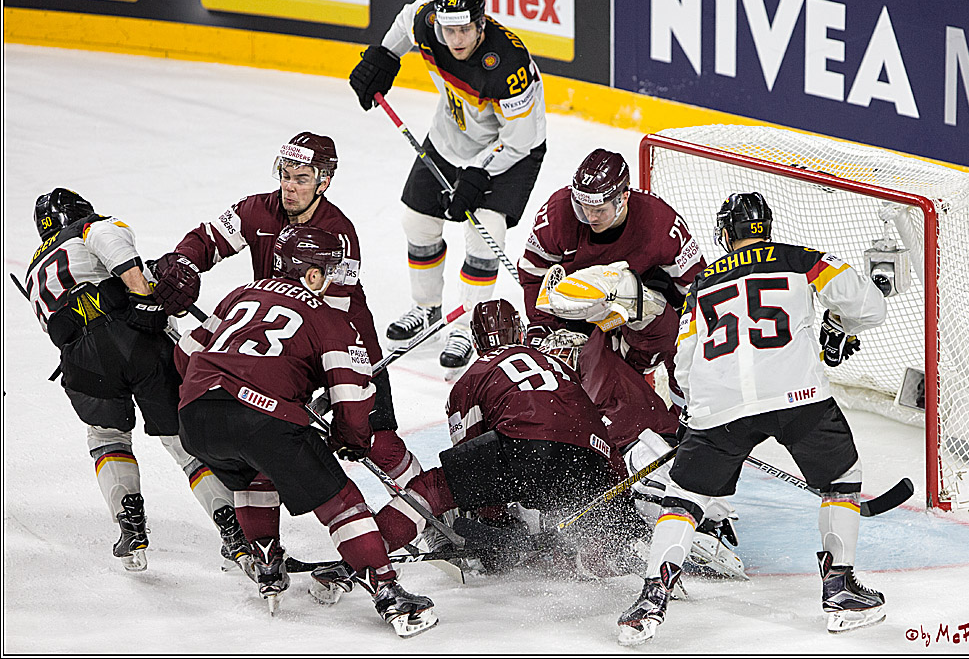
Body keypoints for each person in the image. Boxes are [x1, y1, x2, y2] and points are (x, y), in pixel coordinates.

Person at [617, 192, 888, 646]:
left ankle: (650, 600)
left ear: (726, 233)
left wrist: (694, 413)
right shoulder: (804, 260)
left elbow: (683, 363)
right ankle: (839, 590)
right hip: (796, 394)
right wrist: (838, 327)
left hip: (721, 404)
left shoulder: (702, 284)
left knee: (684, 496)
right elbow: (870, 306)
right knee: (842, 478)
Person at [150, 131, 427, 550]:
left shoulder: (339, 232)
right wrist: (184, 264)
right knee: (261, 446)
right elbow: (207, 239)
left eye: (300, 178)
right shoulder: (256, 210)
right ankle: (263, 545)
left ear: (324, 181)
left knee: (379, 442)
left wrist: (340, 405)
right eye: (285, 175)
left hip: (344, 350)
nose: (289, 186)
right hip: (279, 349)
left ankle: (431, 507)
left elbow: (333, 316)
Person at [175, 224, 437, 636]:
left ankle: (266, 562)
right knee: (341, 501)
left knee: (255, 474)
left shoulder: (244, 292)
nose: (341, 280)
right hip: (263, 418)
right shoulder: (331, 318)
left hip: (195, 417)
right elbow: (351, 402)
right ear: (312, 275)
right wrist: (349, 440)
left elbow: (184, 353)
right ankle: (389, 594)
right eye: (333, 270)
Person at [22, 187, 250, 574]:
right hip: (133, 340)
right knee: (183, 440)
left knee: (106, 438)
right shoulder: (90, 226)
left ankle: (129, 525)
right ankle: (234, 530)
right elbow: (116, 251)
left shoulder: (33, 271)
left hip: (81, 364)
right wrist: (146, 299)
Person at [351, 299, 653, 583]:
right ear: (520, 331)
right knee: (564, 498)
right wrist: (621, 508)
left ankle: (362, 557)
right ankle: (616, 547)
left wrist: (493, 526)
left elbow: (471, 465)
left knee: (435, 487)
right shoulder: (555, 363)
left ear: (477, 342)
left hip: (528, 449)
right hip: (591, 460)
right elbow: (591, 430)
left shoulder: (472, 376)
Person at [349, 0, 547, 373]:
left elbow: (519, 140)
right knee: (417, 221)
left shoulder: (509, 65)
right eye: (448, 29)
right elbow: (408, 19)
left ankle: (469, 325)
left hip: (511, 151)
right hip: (450, 136)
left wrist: (476, 178)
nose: (455, 38)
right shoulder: (429, 25)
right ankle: (426, 307)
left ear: (482, 24)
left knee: (484, 234)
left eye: (464, 30)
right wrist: (385, 57)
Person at [518, 147, 706, 450]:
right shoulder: (558, 213)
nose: (590, 217)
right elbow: (533, 273)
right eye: (583, 208)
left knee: (683, 348)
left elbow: (696, 293)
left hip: (646, 315)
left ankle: (683, 415)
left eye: (600, 210)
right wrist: (542, 326)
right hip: (579, 314)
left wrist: (685, 350)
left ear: (623, 198)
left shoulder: (661, 224)